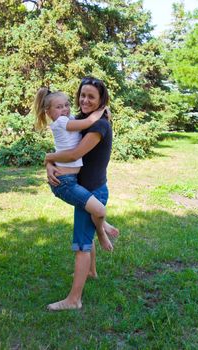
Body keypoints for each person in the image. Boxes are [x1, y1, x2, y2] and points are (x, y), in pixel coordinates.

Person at [45, 77, 119, 311]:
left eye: (91, 97)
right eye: (82, 95)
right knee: (84, 235)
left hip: (93, 189)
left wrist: (48, 158)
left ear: (101, 100)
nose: (85, 100)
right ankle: (92, 271)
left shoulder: (99, 125)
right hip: (82, 186)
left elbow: (75, 152)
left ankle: (74, 300)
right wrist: (49, 164)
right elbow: (63, 148)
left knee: (81, 245)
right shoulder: (78, 120)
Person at [34, 88, 113, 250]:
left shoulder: (68, 119)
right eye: (59, 107)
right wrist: (102, 108)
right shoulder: (62, 122)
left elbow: (81, 122)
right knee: (99, 210)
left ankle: (101, 226)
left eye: (67, 105)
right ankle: (101, 230)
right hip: (64, 183)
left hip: (70, 180)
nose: (64, 109)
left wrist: (49, 162)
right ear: (48, 112)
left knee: (97, 211)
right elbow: (88, 122)